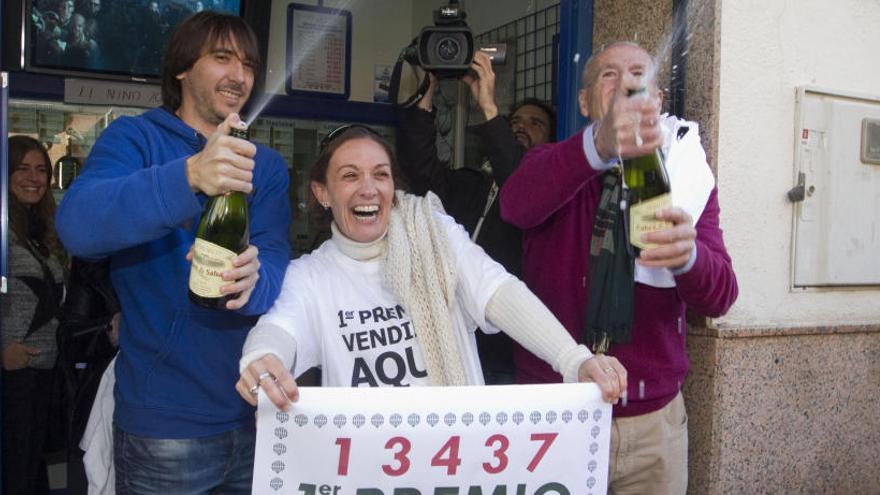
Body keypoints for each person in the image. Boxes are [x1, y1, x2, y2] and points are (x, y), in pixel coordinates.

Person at [55, 11, 291, 493]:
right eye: (222, 58)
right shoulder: (133, 139)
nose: (240, 76)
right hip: (162, 427)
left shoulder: (263, 165)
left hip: (257, 418)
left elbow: (274, 265)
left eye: (248, 63)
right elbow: (77, 227)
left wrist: (255, 279)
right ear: (182, 68)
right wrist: (188, 176)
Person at [234, 125, 626, 411]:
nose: (368, 188)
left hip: (458, 457)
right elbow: (279, 329)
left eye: (380, 174)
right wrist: (262, 359)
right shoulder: (309, 275)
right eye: (349, 176)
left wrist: (573, 359)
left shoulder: (434, 231)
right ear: (322, 193)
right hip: (368, 472)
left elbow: (498, 293)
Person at [499, 41, 739, 494]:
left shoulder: (687, 175)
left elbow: (720, 295)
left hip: (653, 425)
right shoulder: (553, 163)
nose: (627, 83)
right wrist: (598, 147)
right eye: (609, 75)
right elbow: (515, 206)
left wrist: (689, 259)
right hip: (555, 415)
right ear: (586, 102)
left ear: (658, 101)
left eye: (638, 74)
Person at [396, 50, 555, 384]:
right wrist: (426, 96)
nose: (520, 127)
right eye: (514, 122)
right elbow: (422, 177)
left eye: (534, 124)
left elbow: (519, 188)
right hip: (451, 340)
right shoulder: (471, 183)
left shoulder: (547, 194)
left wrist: (489, 108)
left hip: (507, 350)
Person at [2, 135, 67, 495]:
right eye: (23, 168)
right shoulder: (3, 231)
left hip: (43, 376)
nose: (34, 177)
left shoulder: (40, 231)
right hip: (13, 378)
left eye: (42, 169)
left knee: (30, 472)